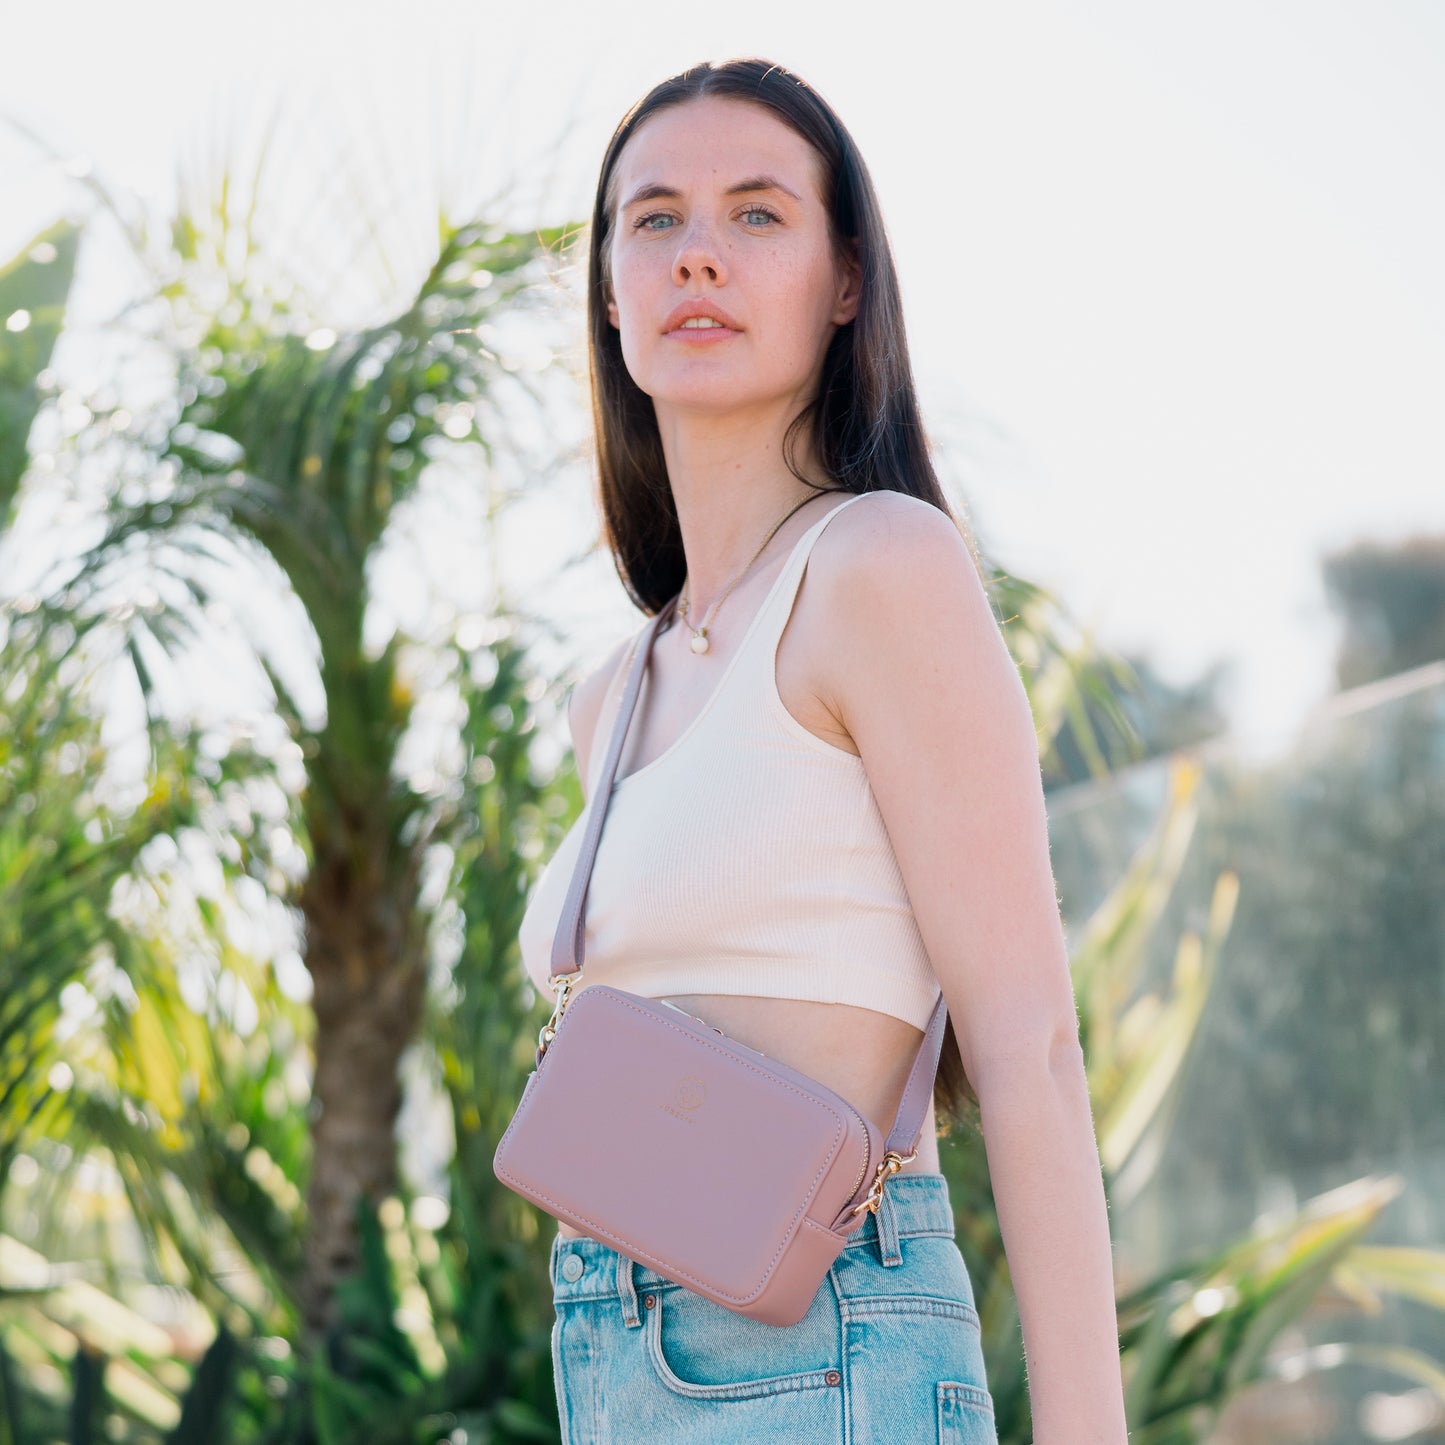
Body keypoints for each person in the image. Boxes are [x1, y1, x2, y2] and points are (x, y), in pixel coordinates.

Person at [516, 56, 1130, 1445]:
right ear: (609, 289)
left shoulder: (877, 567)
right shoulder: (612, 691)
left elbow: (1026, 1041)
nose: (698, 257)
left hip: (824, 1349)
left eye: (756, 214)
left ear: (843, 279)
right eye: (654, 219)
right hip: (612, 1358)